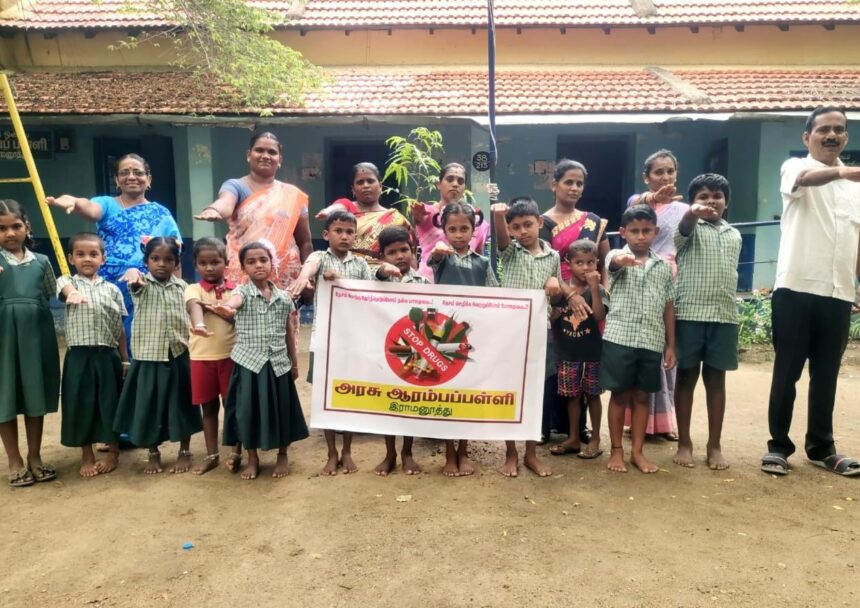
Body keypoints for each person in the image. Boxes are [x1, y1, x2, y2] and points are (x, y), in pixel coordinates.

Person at [762, 106, 860, 477]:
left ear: (846, 137)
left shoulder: (855, 188)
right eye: (823, 129)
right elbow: (805, 179)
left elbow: (857, 238)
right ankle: (778, 447)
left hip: (838, 292)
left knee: (827, 374)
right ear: (808, 137)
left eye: (839, 129)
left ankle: (822, 448)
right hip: (796, 289)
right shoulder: (794, 167)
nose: (832, 135)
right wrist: (842, 172)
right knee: (787, 372)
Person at [46, 154, 182, 353]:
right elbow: (91, 209)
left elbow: (174, 256)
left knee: (145, 342)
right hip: (108, 287)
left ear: (149, 179)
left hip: (146, 287)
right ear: (117, 180)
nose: (131, 177)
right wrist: (74, 201)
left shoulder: (162, 214)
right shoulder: (107, 204)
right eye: (125, 172)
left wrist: (178, 294)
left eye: (138, 172)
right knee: (109, 342)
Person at [194, 131, 314, 347]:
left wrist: (307, 279)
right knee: (243, 335)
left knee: (282, 338)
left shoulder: (293, 195)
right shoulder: (236, 186)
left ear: (279, 159)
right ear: (248, 155)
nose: (265, 155)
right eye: (259, 150)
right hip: (243, 277)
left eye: (272, 152)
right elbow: (225, 203)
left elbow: (305, 241)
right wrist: (215, 209)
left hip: (284, 282)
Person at [291, 210, 381, 475]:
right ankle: (331, 452)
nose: (344, 236)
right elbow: (309, 266)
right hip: (324, 338)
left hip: (352, 339)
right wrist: (304, 277)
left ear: (355, 236)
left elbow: (369, 294)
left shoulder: (360, 264)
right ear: (326, 234)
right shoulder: (320, 257)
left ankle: (347, 451)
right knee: (324, 397)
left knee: (348, 396)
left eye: (349, 232)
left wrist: (340, 281)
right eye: (338, 231)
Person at [211, 242, 309, 480]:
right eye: (251, 262)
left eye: (263, 260)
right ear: (243, 267)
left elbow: (288, 331)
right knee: (248, 412)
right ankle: (252, 458)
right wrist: (226, 307)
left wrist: (294, 363)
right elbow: (233, 303)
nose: (258, 265)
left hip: (278, 364)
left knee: (282, 409)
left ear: (272, 263)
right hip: (249, 365)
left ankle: (282, 455)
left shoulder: (283, 298)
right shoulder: (242, 293)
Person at [113, 237, 202, 474]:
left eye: (168, 259)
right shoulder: (141, 284)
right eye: (155, 258)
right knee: (149, 405)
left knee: (182, 403)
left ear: (176, 263)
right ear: (146, 261)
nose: (161, 264)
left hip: (179, 354)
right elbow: (134, 283)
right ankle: (153, 452)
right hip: (149, 356)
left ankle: (185, 451)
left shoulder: (183, 288)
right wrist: (133, 273)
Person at [672, 174, 742, 471]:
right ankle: (684, 443)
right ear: (693, 202)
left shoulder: (734, 235)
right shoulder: (688, 229)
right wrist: (692, 212)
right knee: (686, 378)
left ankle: (714, 445)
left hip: (724, 316)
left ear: (727, 202)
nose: (711, 201)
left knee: (716, 381)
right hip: (689, 314)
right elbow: (684, 227)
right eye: (703, 196)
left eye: (717, 196)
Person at [490, 197, 562, 477]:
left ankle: (531, 454)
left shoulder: (553, 257)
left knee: (535, 393)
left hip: (541, 331)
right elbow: (501, 239)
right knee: (512, 392)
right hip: (511, 330)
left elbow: (556, 295)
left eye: (528, 224)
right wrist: (499, 216)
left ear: (540, 222)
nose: (523, 231)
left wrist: (554, 283)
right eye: (516, 227)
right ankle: (511, 452)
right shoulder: (511, 251)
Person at [602, 205, 676, 474]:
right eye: (634, 231)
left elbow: (668, 305)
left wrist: (671, 345)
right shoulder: (616, 257)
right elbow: (612, 263)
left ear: (656, 231)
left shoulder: (663, 267)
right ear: (623, 232)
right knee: (620, 394)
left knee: (643, 396)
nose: (641, 236)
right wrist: (621, 260)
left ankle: (637, 452)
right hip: (620, 339)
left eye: (646, 230)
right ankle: (616, 450)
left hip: (651, 341)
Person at [539, 160, 608, 448]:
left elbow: (604, 263)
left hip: (590, 299)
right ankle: (546, 426)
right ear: (554, 184)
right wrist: (569, 294)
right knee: (555, 362)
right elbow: (545, 265)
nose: (574, 188)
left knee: (584, 362)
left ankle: (578, 430)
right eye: (568, 182)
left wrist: (599, 292)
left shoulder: (593, 221)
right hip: (557, 295)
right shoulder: (542, 222)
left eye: (579, 183)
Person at [428, 202, 498, 476]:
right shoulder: (440, 258)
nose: (458, 234)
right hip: (444, 334)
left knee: (468, 391)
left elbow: (494, 295)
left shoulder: (483, 263)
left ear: (474, 230)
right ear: (444, 231)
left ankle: (464, 451)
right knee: (447, 390)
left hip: (473, 334)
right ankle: (449, 451)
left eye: (464, 229)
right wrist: (437, 251)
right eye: (452, 229)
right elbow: (432, 260)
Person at [625, 150, 689, 440]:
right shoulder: (638, 204)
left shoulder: (684, 210)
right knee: (642, 351)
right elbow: (636, 204)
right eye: (658, 172)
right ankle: (636, 421)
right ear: (646, 177)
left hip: (671, 284)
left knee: (668, 353)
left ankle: (665, 422)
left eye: (670, 171)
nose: (665, 177)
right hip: (640, 283)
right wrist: (653, 198)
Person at [57, 232, 128, 477]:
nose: (87, 259)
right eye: (80, 254)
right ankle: (86, 454)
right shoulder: (67, 282)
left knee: (110, 402)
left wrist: (124, 358)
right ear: (71, 258)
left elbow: (119, 327)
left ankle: (113, 451)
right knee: (81, 403)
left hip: (107, 355)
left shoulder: (113, 290)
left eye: (93, 254)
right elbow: (65, 288)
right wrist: (73, 294)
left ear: (103, 259)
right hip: (79, 356)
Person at [0, 200, 60, 487]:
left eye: (16, 226)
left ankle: (35, 456)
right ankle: (14, 460)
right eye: (1, 229)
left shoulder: (42, 262)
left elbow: (50, 293)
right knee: (5, 394)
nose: (10, 233)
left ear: (27, 227)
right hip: (3, 339)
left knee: (35, 393)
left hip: (37, 337)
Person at [372, 225, 428, 477]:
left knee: (410, 402)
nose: (399, 256)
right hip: (385, 351)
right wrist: (383, 272)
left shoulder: (423, 282)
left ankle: (407, 452)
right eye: (392, 252)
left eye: (404, 250)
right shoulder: (376, 281)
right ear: (382, 256)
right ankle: (390, 453)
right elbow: (377, 276)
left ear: (413, 250)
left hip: (413, 351)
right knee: (388, 403)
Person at [549, 239, 608, 461]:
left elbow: (599, 315)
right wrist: (554, 314)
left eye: (590, 262)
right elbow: (552, 317)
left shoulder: (598, 290)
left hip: (592, 355)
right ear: (568, 264)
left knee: (593, 396)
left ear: (597, 263)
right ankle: (573, 437)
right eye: (579, 262)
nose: (585, 267)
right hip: (567, 355)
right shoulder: (561, 291)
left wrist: (594, 288)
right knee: (572, 397)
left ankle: (595, 439)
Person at [185, 238, 239, 475]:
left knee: (232, 406)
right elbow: (194, 306)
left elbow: (237, 318)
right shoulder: (193, 289)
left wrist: (222, 311)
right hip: (201, 358)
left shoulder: (236, 290)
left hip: (231, 357)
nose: (209, 268)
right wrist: (199, 323)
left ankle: (236, 452)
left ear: (226, 262)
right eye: (203, 263)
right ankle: (212, 455)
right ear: (195, 265)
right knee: (208, 408)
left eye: (215, 262)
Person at [314, 162, 415, 271]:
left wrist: (414, 278)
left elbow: (411, 251)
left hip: (384, 273)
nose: (366, 185)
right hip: (346, 269)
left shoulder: (396, 218)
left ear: (380, 186)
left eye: (370, 181)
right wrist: (328, 211)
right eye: (360, 182)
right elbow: (338, 207)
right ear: (353, 189)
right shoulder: (347, 207)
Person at [414, 162, 491, 281]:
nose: (455, 184)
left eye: (460, 181)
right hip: (427, 285)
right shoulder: (427, 213)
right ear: (438, 184)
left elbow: (478, 257)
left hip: (463, 285)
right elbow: (418, 219)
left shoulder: (478, 222)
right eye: (450, 179)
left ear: (464, 188)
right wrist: (416, 216)